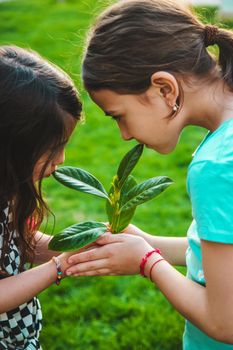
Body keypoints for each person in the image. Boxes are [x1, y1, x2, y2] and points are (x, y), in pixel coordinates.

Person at [67, 0, 233, 348]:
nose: (124, 135)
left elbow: (225, 321)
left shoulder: (216, 166)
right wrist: (151, 244)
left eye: (118, 115)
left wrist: (147, 262)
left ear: (164, 89)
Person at [0, 45, 82, 350]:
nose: (61, 159)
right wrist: (58, 267)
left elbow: (20, 245)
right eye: (53, 147)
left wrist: (77, 246)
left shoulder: (11, 188)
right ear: (12, 141)